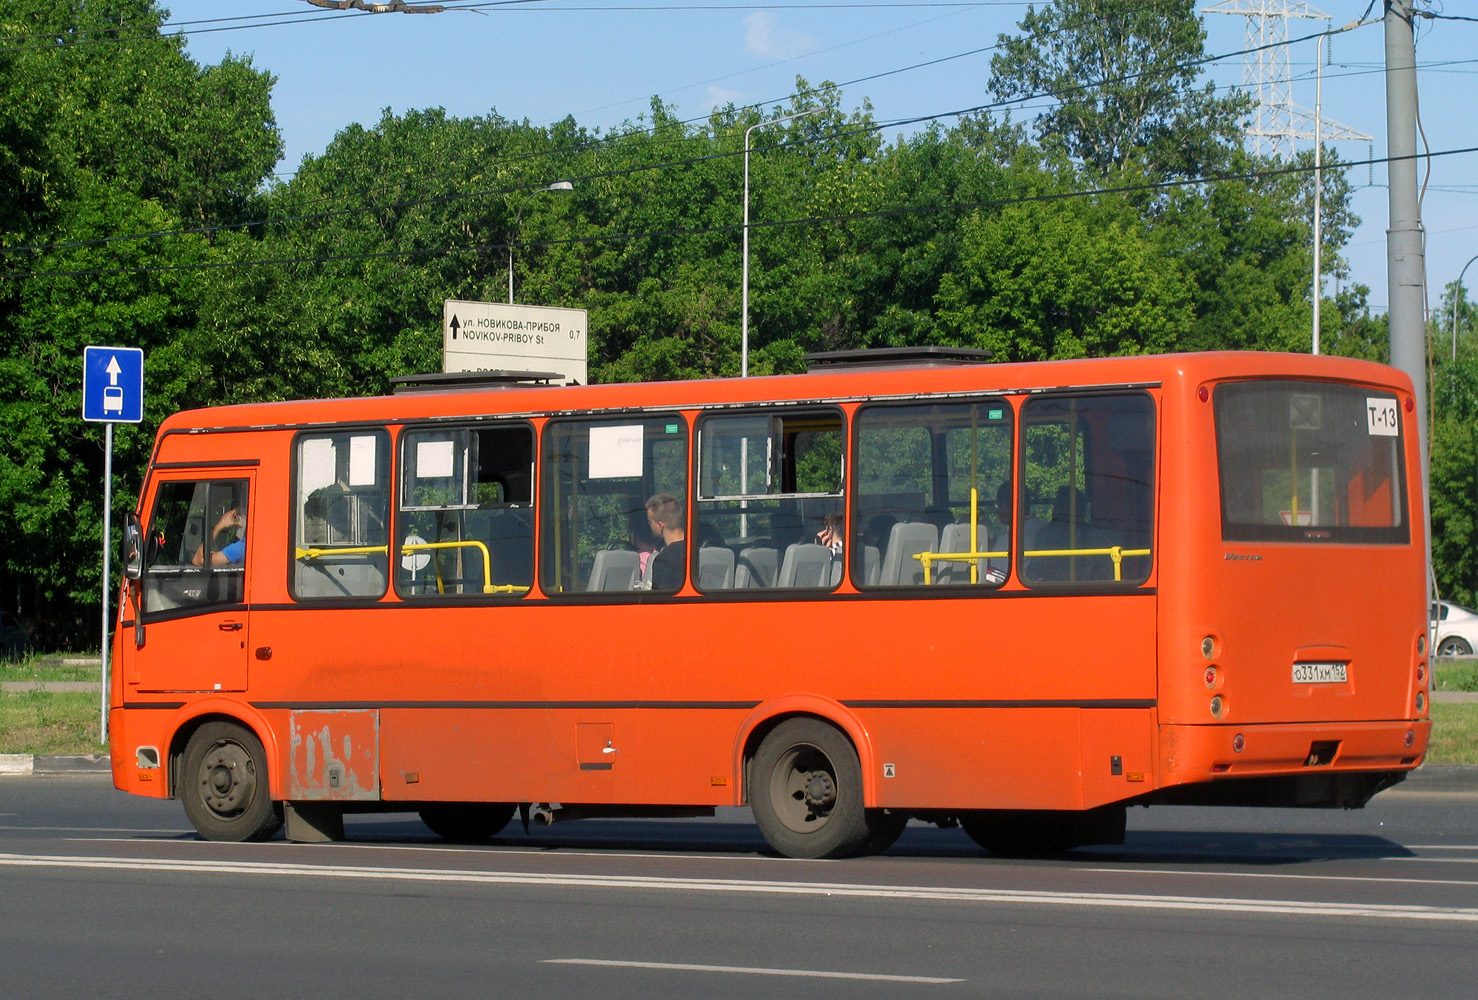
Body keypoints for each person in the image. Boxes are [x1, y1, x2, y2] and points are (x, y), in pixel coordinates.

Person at [645, 493, 686, 591]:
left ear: (660, 524)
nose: (649, 526)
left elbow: (659, 601)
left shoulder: (664, 560)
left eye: (650, 522)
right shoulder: (697, 550)